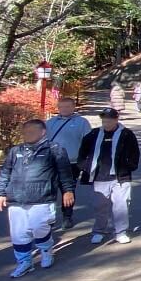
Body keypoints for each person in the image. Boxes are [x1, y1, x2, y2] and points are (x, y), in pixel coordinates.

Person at [0, 119, 76, 278]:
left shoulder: (54, 149)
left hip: (42, 197)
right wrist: (0, 193)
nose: (27, 135)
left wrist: (68, 190)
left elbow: (65, 173)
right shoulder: (16, 150)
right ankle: (24, 262)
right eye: (25, 132)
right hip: (16, 197)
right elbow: (5, 172)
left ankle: (46, 250)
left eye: (31, 131)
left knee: (39, 227)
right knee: (19, 232)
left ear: (43, 132)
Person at [78, 108, 141, 245]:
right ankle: (99, 231)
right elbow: (83, 151)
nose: (106, 123)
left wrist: (130, 166)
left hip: (120, 176)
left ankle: (121, 232)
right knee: (100, 206)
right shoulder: (94, 134)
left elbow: (134, 152)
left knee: (121, 205)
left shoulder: (126, 134)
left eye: (109, 120)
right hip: (99, 176)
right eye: (104, 120)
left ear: (116, 119)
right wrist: (84, 165)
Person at [45, 96, 92, 229]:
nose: (64, 109)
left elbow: (88, 142)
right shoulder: (50, 122)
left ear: (73, 107)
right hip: (51, 161)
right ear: (58, 108)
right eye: (62, 107)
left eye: (67, 107)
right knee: (50, 190)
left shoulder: (82, 122)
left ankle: (67, 215)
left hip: (71, 162)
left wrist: (85, 160)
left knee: (68, 189)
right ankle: (49, 217)